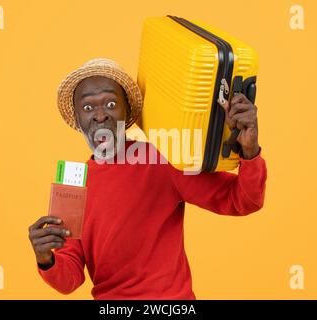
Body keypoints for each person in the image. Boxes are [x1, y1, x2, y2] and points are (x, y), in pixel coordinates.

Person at [28, 58, 267, 299]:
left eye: (111, 103)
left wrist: (250, 151)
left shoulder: (162, 158)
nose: (100, 116)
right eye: (88, 108)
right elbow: (69, 279)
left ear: (128, 112)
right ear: (78, 120)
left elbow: (243, 200)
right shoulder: (72, 182)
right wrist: (47, 258)